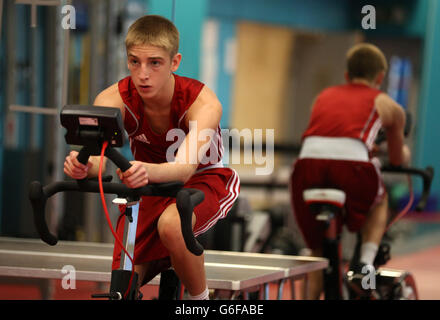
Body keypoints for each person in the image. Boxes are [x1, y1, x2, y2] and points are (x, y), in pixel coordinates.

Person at [63, 15, 240, 300]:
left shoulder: (203, 102)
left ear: (174, 62)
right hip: (149, 190)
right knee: (123, 287)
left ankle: (200, 301)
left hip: (204, 182)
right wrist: (82, 166)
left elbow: (183, 169)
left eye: (154, 63)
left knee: (172, 225)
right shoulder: (111, 101)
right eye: (134, 62)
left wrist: (143, 169)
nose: (143, 73)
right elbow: (99, 160)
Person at [289, 43, 410, 299]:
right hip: (353, 167)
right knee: (380, 200)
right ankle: (364, 263)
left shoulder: (323, 96)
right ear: (380, 77)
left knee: (318, 251)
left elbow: (332, 132)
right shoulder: (388, 104)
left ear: (346, 75)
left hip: (306, 167)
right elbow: (398, 159)